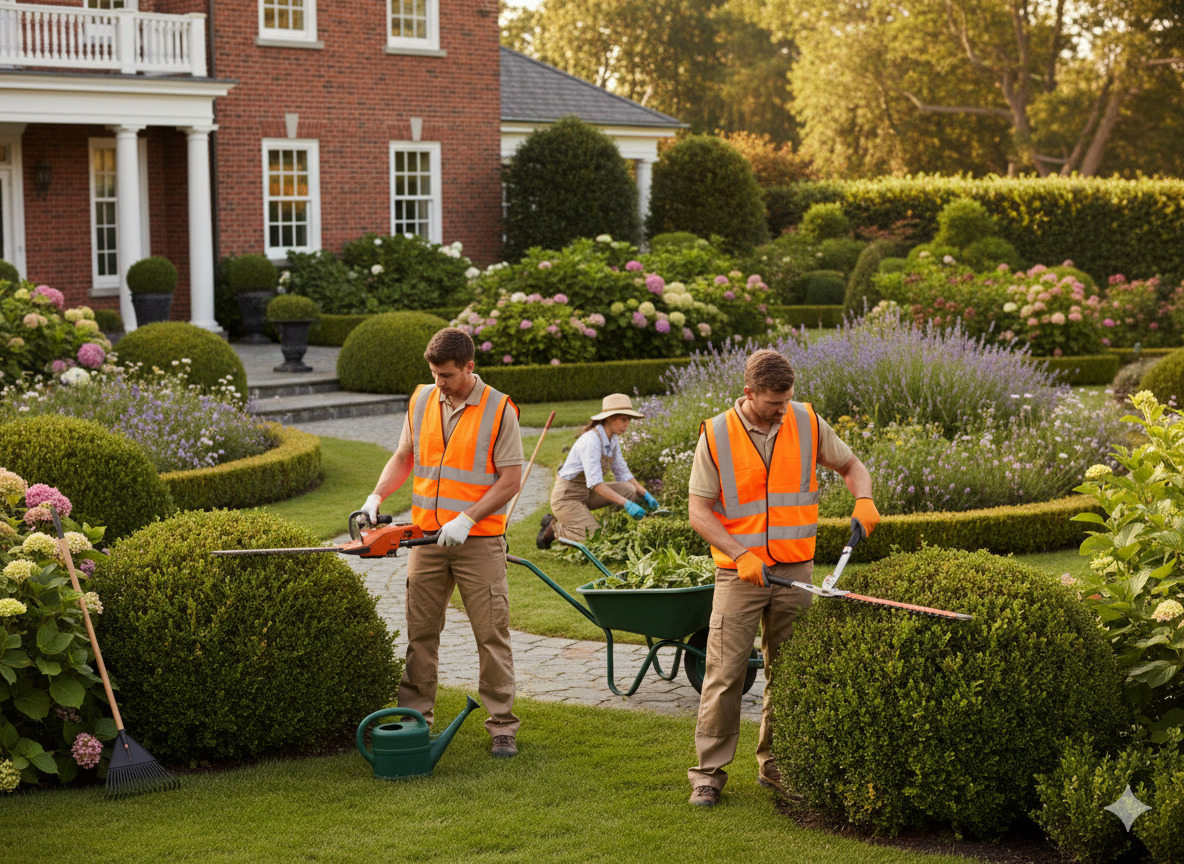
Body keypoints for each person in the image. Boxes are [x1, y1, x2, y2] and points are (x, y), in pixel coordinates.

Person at [685, 348, 879, 807]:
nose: (781, 410)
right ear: (748, 392)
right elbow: (698, 511)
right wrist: (739, 554)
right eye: (773, 402)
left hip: (796, 570)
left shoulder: (806, 421)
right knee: (725, 673)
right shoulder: (716, 434)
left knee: (788, 671)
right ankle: (708, 774)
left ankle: (775, 764)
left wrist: (864, 498)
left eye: (787, 399)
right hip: (740, 574)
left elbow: (851, 466)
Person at [360, 327, 524, 758]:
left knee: (491, 634)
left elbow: (510, 481)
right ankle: (415, 719)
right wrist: (377, 494)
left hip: (479, 542)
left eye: (448, 375)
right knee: (421, 633)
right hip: (427, 541)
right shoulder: (421, 399)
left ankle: (502, 726)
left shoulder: (499, 409)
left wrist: (468, 518)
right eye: (434, 374)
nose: (440, 383)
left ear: (470, 367)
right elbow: (404, 455)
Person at [536, 393, 661, 549]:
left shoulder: (612, 438)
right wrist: (627, 504)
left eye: (629, 420)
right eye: (624, 419)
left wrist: (644, 493)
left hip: (586, 494)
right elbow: (596, 483)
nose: (627, 424)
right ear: (610, 418)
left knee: (629, 489)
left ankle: (614, 528)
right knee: (593, 538)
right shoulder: (591, 440)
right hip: (567, 498)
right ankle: (554, 529)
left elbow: (622, 472)